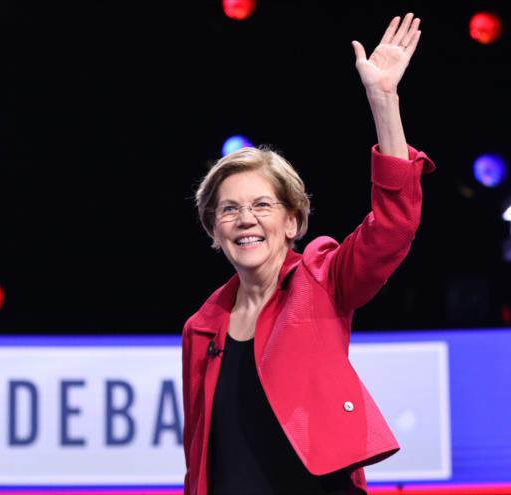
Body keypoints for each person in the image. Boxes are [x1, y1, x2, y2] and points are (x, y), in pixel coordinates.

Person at [181, 13, 436, 495]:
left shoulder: (321, 277)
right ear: (213, 228)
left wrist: (384, 102)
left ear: (293, 221)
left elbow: (394, 226)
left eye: (262, 205)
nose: (246, 219)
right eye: (229, 209)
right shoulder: (202, 324)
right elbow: (199, 456)